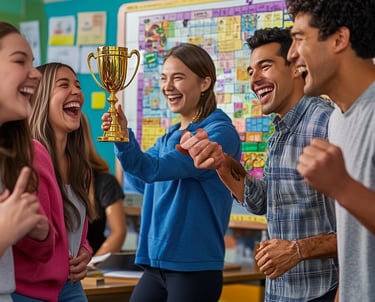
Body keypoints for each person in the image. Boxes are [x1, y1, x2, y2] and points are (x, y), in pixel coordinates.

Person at [179, 28, 339, 301]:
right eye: (251, 71)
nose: (255, 80)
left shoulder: (327, 123)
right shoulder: (279, 132)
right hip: (280, 293)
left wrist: (296, 250)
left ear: (296, 67)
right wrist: (221, 163)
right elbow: (261, 202)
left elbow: (361, 226)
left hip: (324, 292)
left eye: (266, 66)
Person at [101, 43, 241, 302]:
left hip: (193, 268)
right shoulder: (169, 137)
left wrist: (125, 141)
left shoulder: (218, 134)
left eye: (178, 77)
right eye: (164, 78)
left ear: (204, 83)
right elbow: (144, 178)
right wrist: (120, 137)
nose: (168, 86)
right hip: (156, 266)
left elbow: (153, 169)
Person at [286, 1, 375, 301]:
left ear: (339, 39)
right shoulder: (336, 120)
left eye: (299, 38)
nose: (291, 54)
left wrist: (342, 186)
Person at [27, 62, 97, 301]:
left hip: (70, 285)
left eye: (77, 85)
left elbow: (75, 230)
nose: (77, 91)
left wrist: (84, 252)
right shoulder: (30, 157)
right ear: (41, 98)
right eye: (64, 85)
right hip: (31, 288)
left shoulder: (79, 167)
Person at [0, 21, 50, 302]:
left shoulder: (12, 154)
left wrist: (38, 232)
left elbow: (44, 252)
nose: (36, 74)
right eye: (20, 61)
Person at [82, 113, 126, 256]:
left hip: (89, 268)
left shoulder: (104, 182)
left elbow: (118, 233)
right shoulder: (48, 178)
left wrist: (90, 267)